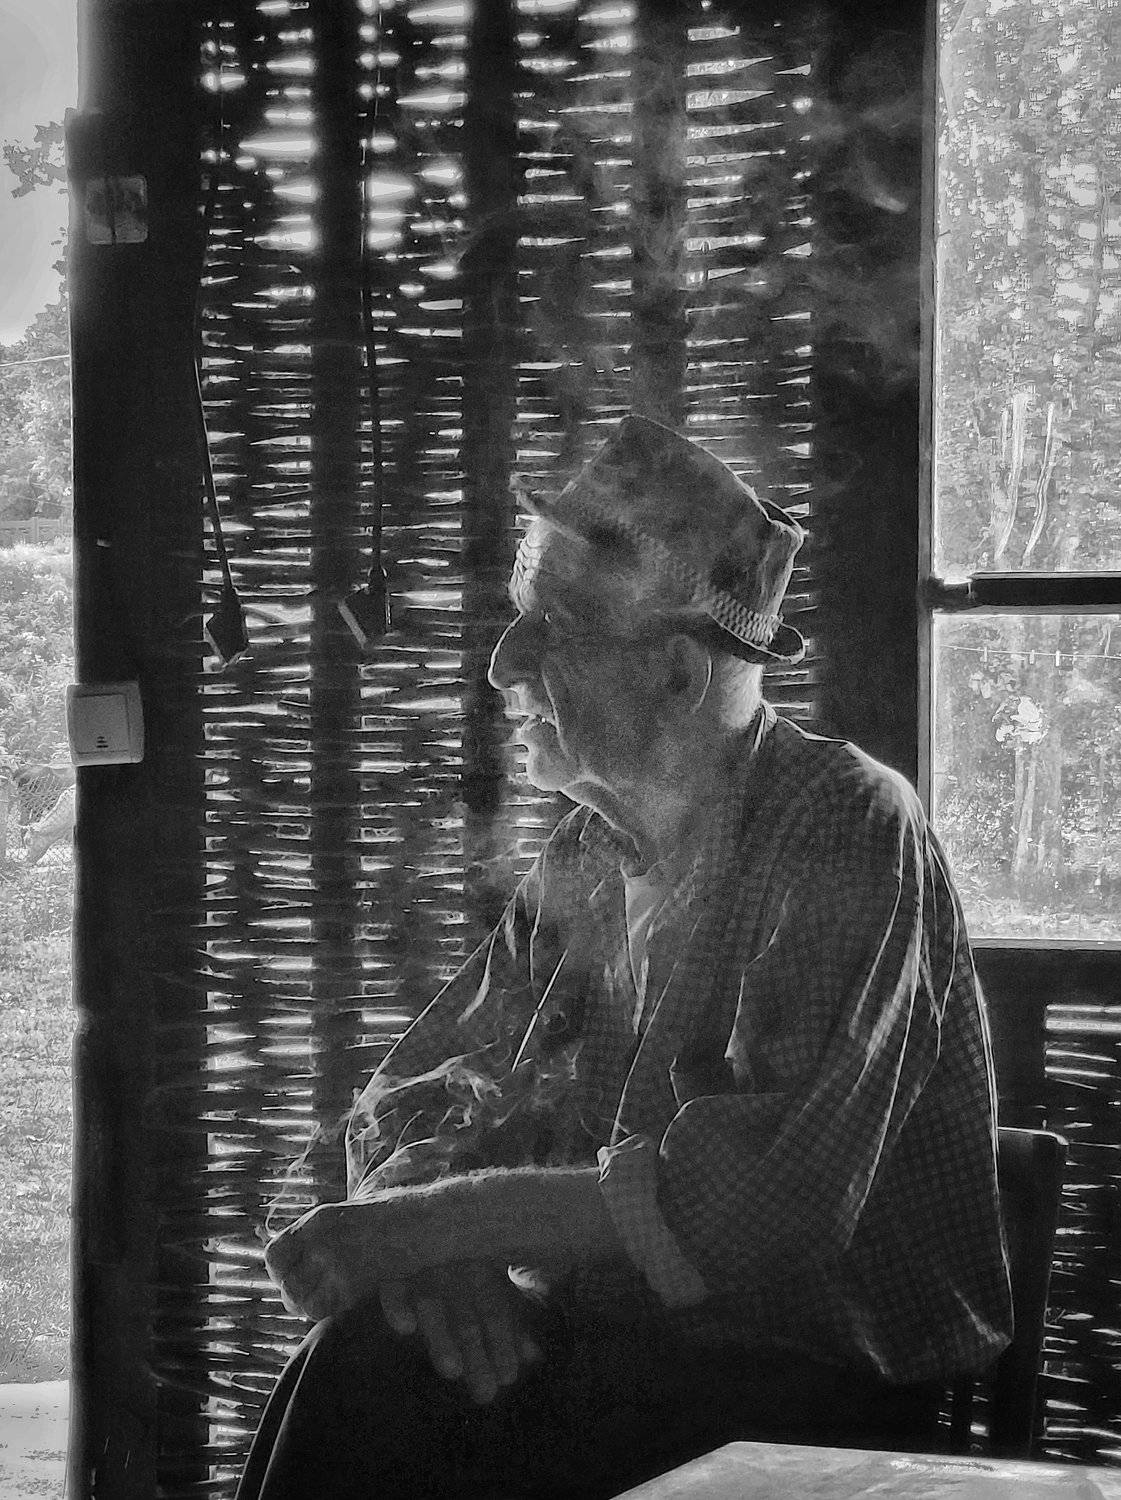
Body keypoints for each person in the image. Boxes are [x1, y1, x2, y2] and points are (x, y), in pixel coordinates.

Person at [239, 416, 1013, 1500]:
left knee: (371, 1383)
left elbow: (757, 1204)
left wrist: (435, 1224)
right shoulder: (588, 850)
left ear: (678, 676)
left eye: (550, 629)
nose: (503, 665)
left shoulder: (843, 824)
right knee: (372, 1358)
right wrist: (438, 1255)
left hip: (801, 1404)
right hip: (613, 1364)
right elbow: (409, 1097)